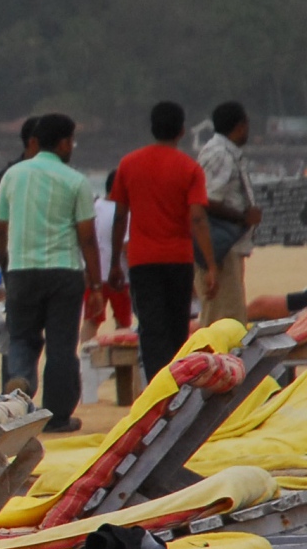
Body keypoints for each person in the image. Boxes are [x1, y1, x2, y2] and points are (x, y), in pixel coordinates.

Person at [0, 113, 99, 434]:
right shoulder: (75, 181)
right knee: (61, 345)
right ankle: (58, 417)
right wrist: (96, 285)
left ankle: (19, 385)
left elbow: (0, 230)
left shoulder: (13, 175)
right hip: (64, 272)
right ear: (64, 143)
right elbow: (87, 238)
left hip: (21, 270)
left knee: (21, 338)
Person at [109, 102, 218, 383]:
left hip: (142, 260)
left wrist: (114, 263)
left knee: (151, 327)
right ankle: (177, 385)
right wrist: (210, 265)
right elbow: (198, 219)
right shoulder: (190, 168)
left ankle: (158, 387)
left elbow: (119, 216)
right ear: (181, 131)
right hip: (178, 258)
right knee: (177, 326)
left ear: (152, 128)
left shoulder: (129, 164)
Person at [195, 101, 262, 326]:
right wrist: (243, 218)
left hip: (226, 246)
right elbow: (206, 200)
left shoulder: (224, 152)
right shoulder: (220, 154)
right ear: (240, 126)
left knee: (227, 316)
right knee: (225, 319)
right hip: (221, 248)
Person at [85, 171, 135, 343]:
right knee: (123, 323)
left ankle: (85, 354)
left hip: (96, 275)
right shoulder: (124, 212)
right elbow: (127, 246)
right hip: (120, 276)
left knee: (91, 321)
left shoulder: (93, 207)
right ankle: (120, 357)